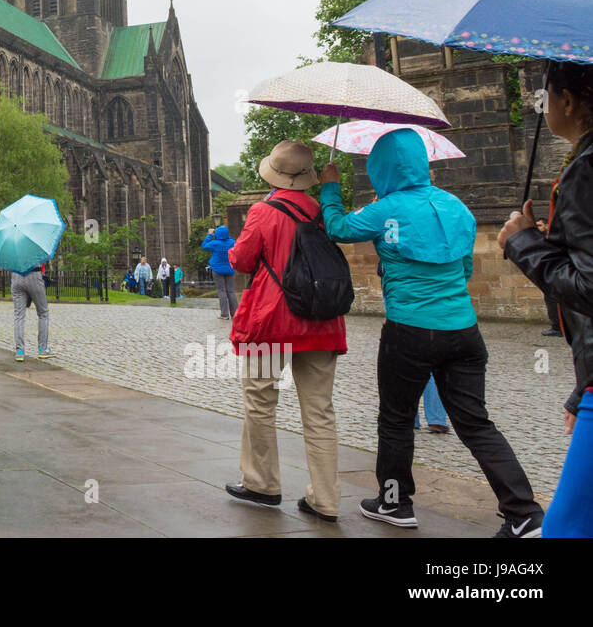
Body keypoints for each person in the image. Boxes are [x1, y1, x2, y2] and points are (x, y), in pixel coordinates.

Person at [322, 127, 544, 537]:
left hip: (409, 330)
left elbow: (337, 228)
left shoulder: (384, 209)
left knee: (396, 420)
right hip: (464, 331)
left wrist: (331, 188)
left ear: (380, 168)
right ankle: (524, 512)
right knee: (477, 424)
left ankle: (394, 501)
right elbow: (463, 269)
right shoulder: (456, 206)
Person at [225, 141, 347, 523]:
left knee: (260, 402)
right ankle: (325, 499)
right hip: (321, 321)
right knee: (320, 412)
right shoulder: (326, 211)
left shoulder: (263, 210)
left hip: (272, 320)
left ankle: (262, 483)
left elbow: (242, 261)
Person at [500, 59, 593, 537]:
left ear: (570, 101)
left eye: (546, 95)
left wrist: (522, 244)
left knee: (569, 528)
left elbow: (589, 289)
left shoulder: (585, 169)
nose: (543, 105)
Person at [11, 260, 54, 363]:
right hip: (34, 275)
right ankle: (42, 349)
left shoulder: (13, 246)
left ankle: (20, 351)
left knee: (19, 316)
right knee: (43, 313)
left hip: (16, 276)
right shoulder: (35, 245)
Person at [203, 226, 239, 319]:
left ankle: (224, 314)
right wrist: (225, 235)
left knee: (221, 291)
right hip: (230, 270)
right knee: (231, 291)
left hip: (217, 269)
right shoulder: (232, 242)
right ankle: (235, 314)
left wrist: (210, 235)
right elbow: (231, 240)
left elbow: (204, 245)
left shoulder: (215, 243)